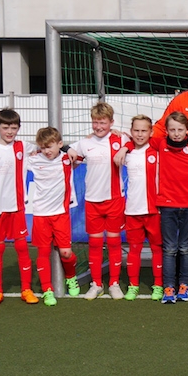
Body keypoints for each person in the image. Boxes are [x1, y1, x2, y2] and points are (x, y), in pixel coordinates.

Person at [128, 112, 188, 304]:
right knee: (169, 248)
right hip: (166, 205)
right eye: (172, 129)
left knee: (185, 248)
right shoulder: (159, 144)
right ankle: (168, 287)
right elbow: (133, 140)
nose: (176, 133)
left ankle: (184, 285)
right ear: (166, 131)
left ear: (187, 130)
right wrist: (123, 147)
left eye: (180, 130)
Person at [0, 108, 39, 307]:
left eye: (14, 128)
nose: (10, 132)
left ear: (18, 128)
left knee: (22, 247)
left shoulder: (23, 146)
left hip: (17, 208)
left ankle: (26, 289)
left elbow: (49, 143)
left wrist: (68, 147)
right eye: (5, 128)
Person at [71, 102, 129, 301]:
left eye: (102, 122)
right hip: (92, 200)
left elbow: (139, 139)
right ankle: (97, 284)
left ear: (111, 122)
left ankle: (114, 283)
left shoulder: (120, 139)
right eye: (95, 122)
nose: (98, 127)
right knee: (95, 244)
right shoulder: (84, 143)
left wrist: (125, 147)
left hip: (114, 199)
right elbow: (70, 156)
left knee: (113, 242)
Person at [27, 127, 80, 306]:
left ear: (59, 144)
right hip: (40, 214)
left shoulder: (67, 159)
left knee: (66, 253)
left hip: (60, 213)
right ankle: (47, 289)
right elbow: (14, 153)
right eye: (43, 147)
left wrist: (68, 148)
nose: (46, 151)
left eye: (50, 147)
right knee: (43, 253)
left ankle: (71, 277)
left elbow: (88, 149)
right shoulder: (33, 160)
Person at [119, 115, 164, 301]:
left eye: (144, 131)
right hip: (133, 211)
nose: (140, 134)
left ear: (151, 132)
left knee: (157, 249)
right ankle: (133, 285)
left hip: (154, 211)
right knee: (134, 249)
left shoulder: (157, 150)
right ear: (131, 132)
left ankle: (158, 285)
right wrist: (125, 146)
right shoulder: (126, 153)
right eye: (136, 130)